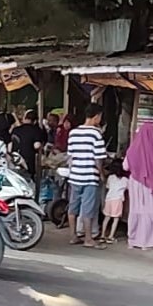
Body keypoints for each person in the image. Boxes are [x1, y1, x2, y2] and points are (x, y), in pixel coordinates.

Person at [123, 122, 153, 249]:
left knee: (137, 209)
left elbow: (125, 166)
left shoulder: (132, 150)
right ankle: (152, 240)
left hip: (137, 184)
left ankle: (135, 240)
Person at [67, 103, 107, 249]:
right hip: (89, 177)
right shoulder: (96, 134)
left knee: (73, 207)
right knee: (88, 209)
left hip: (75, 176)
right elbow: (98, 158)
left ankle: (73, 236)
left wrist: (73, 171)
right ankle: (88, 239)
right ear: (96, 116)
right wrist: (101, 174)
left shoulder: (73, 133)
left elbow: (70, 157)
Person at [11, 110, 47, 178]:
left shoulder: (16, 130)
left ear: (25, 118)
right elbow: (37, 145)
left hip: (15, 158)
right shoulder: (36, 130)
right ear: (35, 121)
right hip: (29, 160)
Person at [101, 161, 128, 243]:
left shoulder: (110, 177)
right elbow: (129, 188)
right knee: (115, 219)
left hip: (109, 199)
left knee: (107, 217)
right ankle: (110, 237)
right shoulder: (125, 180)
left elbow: (107, 186)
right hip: (118, 200)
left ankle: (102, 235)